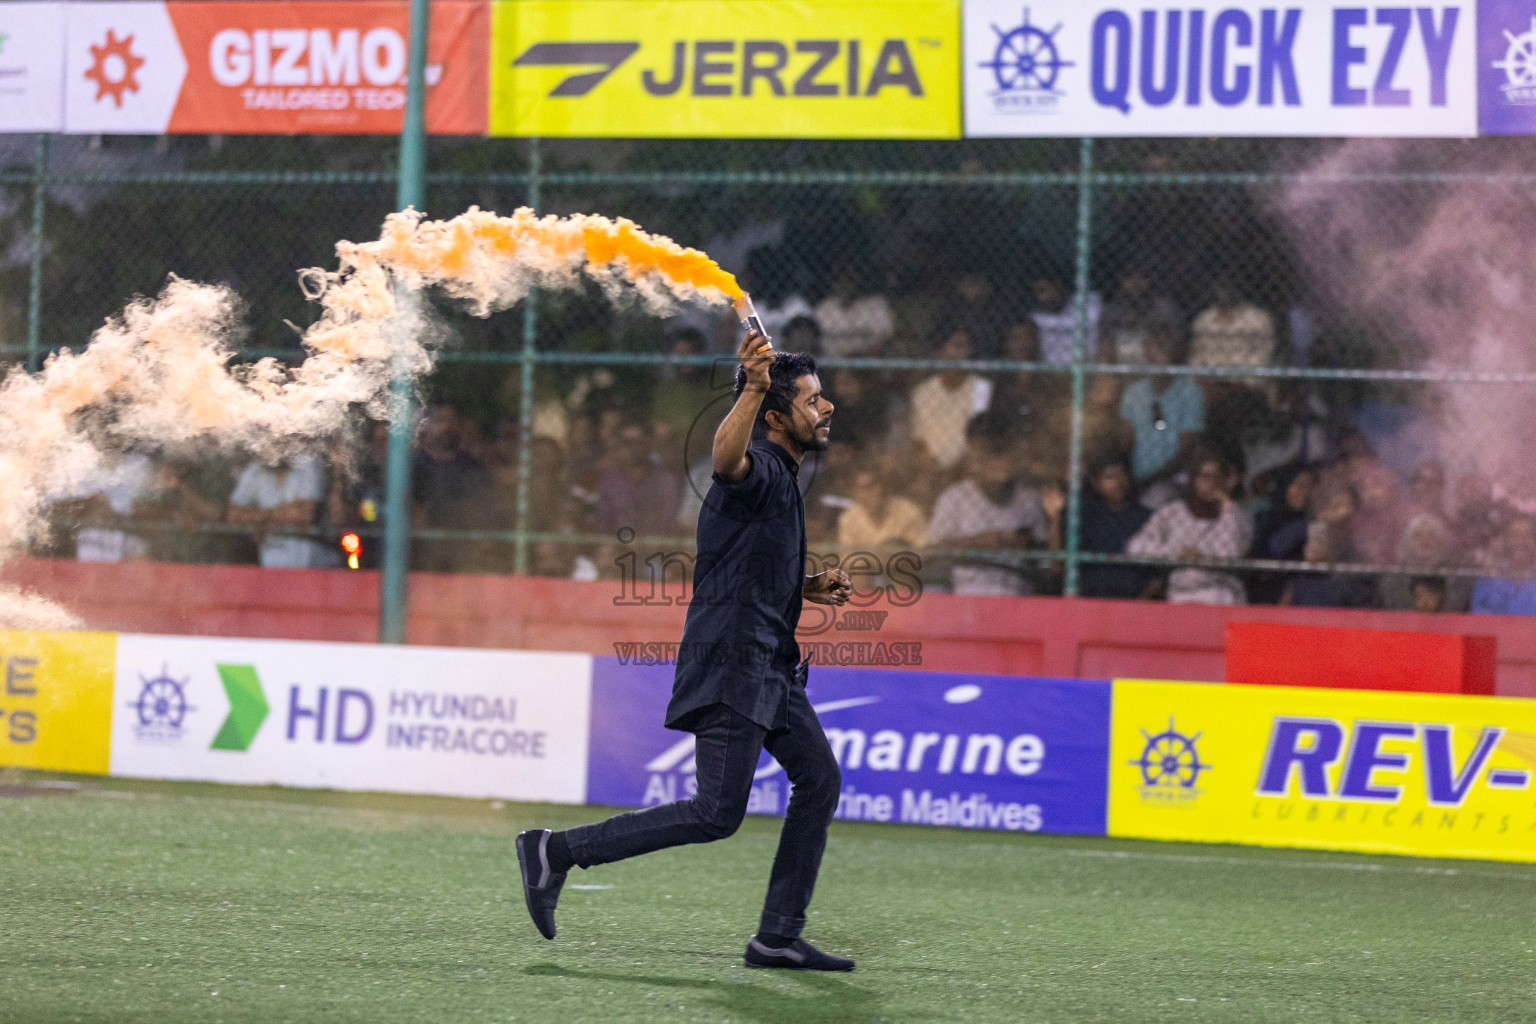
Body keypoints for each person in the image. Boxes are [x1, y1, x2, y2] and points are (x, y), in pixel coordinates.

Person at [516, 330, 858, 972]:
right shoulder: (754, 468)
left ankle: (777, 936)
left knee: (820, 779)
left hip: (770, 667)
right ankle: (555, 851)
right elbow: (726, 462)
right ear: (778, 417)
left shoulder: (785, 478)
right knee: (715, 813)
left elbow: (745, 566)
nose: (827, 407)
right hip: (735, 663)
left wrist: (804, 585)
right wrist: (754, 388)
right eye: (813, 400)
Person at [926, 416, 1060, 596]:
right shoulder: (955, 497)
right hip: (967, 593)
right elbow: (934, 550)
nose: (999, 464)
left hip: (1016, 593)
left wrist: (1024, 543)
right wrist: (977, 542)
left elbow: (1046, 561)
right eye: (992, 457)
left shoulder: (1029, 499)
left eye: (1003, 456)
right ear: (979, 459)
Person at [1126, 450, 1252, 604]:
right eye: (1204, 477)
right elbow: (1135, 547)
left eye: (1217, 477)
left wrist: (1227, 506)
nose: (1212, 484)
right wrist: (1178, 553)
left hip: (1222, 593)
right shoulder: (1172, 512)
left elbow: (1231, 553)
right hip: (1180, 593)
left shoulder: (1237, 515)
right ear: (1193, 480)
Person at [1119, 331, 1204, 509]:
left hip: (1173, 477)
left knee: (1158, 496)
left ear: (1175, 355)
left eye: (1162, 350)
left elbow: (1186, 449)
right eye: (1151, 351)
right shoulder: (1134, 392)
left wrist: (1148, 481)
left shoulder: (1190, 393)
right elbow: (1126, 442)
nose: (1156, 357)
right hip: (1138, 476)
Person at [227, 452, 339, 569]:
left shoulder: (308, 462)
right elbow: (233, 515)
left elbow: (304, 514)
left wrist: (257, 517)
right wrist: (283, 513)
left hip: (317, 570)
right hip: (272, 570)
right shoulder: (256, 469)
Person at [909, 328, 993, 473]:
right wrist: (930, 464)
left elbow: (980, 436)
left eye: (964, 347)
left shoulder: (981, 389)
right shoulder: (923, 391)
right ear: (941, 352)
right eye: (955, 346)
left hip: (968, 466)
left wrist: (959, 466)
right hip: (930, 467)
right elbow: (917, 439)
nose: (959, 353)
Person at [1077, 456, 1157, 600]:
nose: (1118, 482)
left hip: (1138, 600)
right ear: (1096, 484)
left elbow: (1158, 574)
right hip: (1094, 600)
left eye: (1122, 475)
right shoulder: (1087, 518)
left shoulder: (1147, 518)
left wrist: (1141, 603)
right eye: (1110, 477)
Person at [1099, 267, 1182, 366]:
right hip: (1121, 359)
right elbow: (1104, 344)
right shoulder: (1112, 311)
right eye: (1129, 276)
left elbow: (1178, 343)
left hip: (1154, 360)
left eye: (1143, 276)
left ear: (1150, 279)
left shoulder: (1164, 308)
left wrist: (1153, 330)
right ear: (1122, 280)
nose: (1136, 282)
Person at [838, 463, 928, 551]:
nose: (866, 495)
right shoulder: (849, 519)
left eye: (871, 487)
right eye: (860, 489)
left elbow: (921, 555)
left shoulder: (909, 512)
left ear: (884, 487)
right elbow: (848, 561)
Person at [813, 266, 893, 357]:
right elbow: (817, 339)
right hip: (831, 361)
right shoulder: (824, 308)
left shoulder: (875, 305)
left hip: (867, 359)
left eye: (849, 280)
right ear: (833, 284)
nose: (844, 284)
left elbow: (884, 335)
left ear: (858, 282)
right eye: (839, 281)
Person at [1470, 516, 1536, 616]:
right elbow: (1478, 617)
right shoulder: (1489, 576)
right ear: (1505, 540)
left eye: (1527, 536)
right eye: (1514, 535)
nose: (1520, 541)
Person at [1030, 276, 1102, 366]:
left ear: (1058, 284)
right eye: (1040, 292)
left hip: (1088, 367)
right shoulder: (1036, 317)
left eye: (1046, 289)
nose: (1046, 295)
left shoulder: (1088, 302)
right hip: (1051, 372)